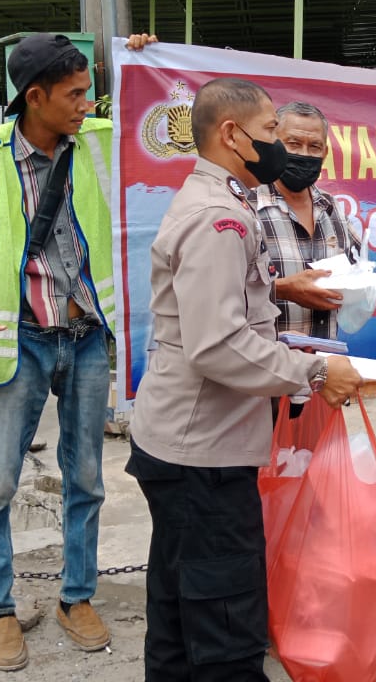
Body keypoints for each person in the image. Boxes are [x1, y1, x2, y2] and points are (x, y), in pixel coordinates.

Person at [0, 32, 149, 671]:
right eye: (74, 94)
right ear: (35, 96)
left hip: (87, 336)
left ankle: (78, 598)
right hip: (16, 340)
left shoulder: (97, 141)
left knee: (86, 479)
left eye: (89, 92)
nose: (85, 103)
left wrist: (140, 59)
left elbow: (169, 127)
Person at [125, 76, 363, 682]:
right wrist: (312, 369)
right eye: (270, 134)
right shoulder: (219, 220)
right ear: (231, 134)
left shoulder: (221, 204)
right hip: (202, 454)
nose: (282, 149)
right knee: (227, 628)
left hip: (186, 443)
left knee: (179, 613)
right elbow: (219, 345)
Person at [255, 100, 360, 341]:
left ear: (325, 153)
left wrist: (365, 290)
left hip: (325, 366)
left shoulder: (332, 207)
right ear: (273, 144)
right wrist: (280, 289)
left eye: (314, 146)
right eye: (293, 143)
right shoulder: (246, 205)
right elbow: (216, 294)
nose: (304, 154)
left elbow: (357, 269)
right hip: (262, 368)